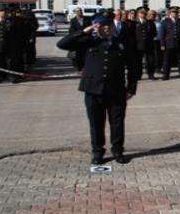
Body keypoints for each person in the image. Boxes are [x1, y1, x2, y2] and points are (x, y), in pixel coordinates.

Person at [57, 11, 137, 165]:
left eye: (109, 25)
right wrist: (83, 31)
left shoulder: (122, 42)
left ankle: (117, 150)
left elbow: (133, 67)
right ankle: (98, 152)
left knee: (117, 122)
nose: (106, 28)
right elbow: (62, 44)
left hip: (116, 89)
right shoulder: (88, 41)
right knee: (96, 123)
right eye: (102, 25)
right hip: (93, 89)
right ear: (96, 26)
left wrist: (131, 88)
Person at [134, 9, 157, 80]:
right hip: (138, 45)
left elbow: (154, 33)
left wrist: (149, 39)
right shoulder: (134, 22)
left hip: (148, 44)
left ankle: (151, 74)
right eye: (141, 13)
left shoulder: (150, 22)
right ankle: (138, 75)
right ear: (138, 14)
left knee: (150, 60)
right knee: (138, 61)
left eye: (144, 13)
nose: (142, 15)